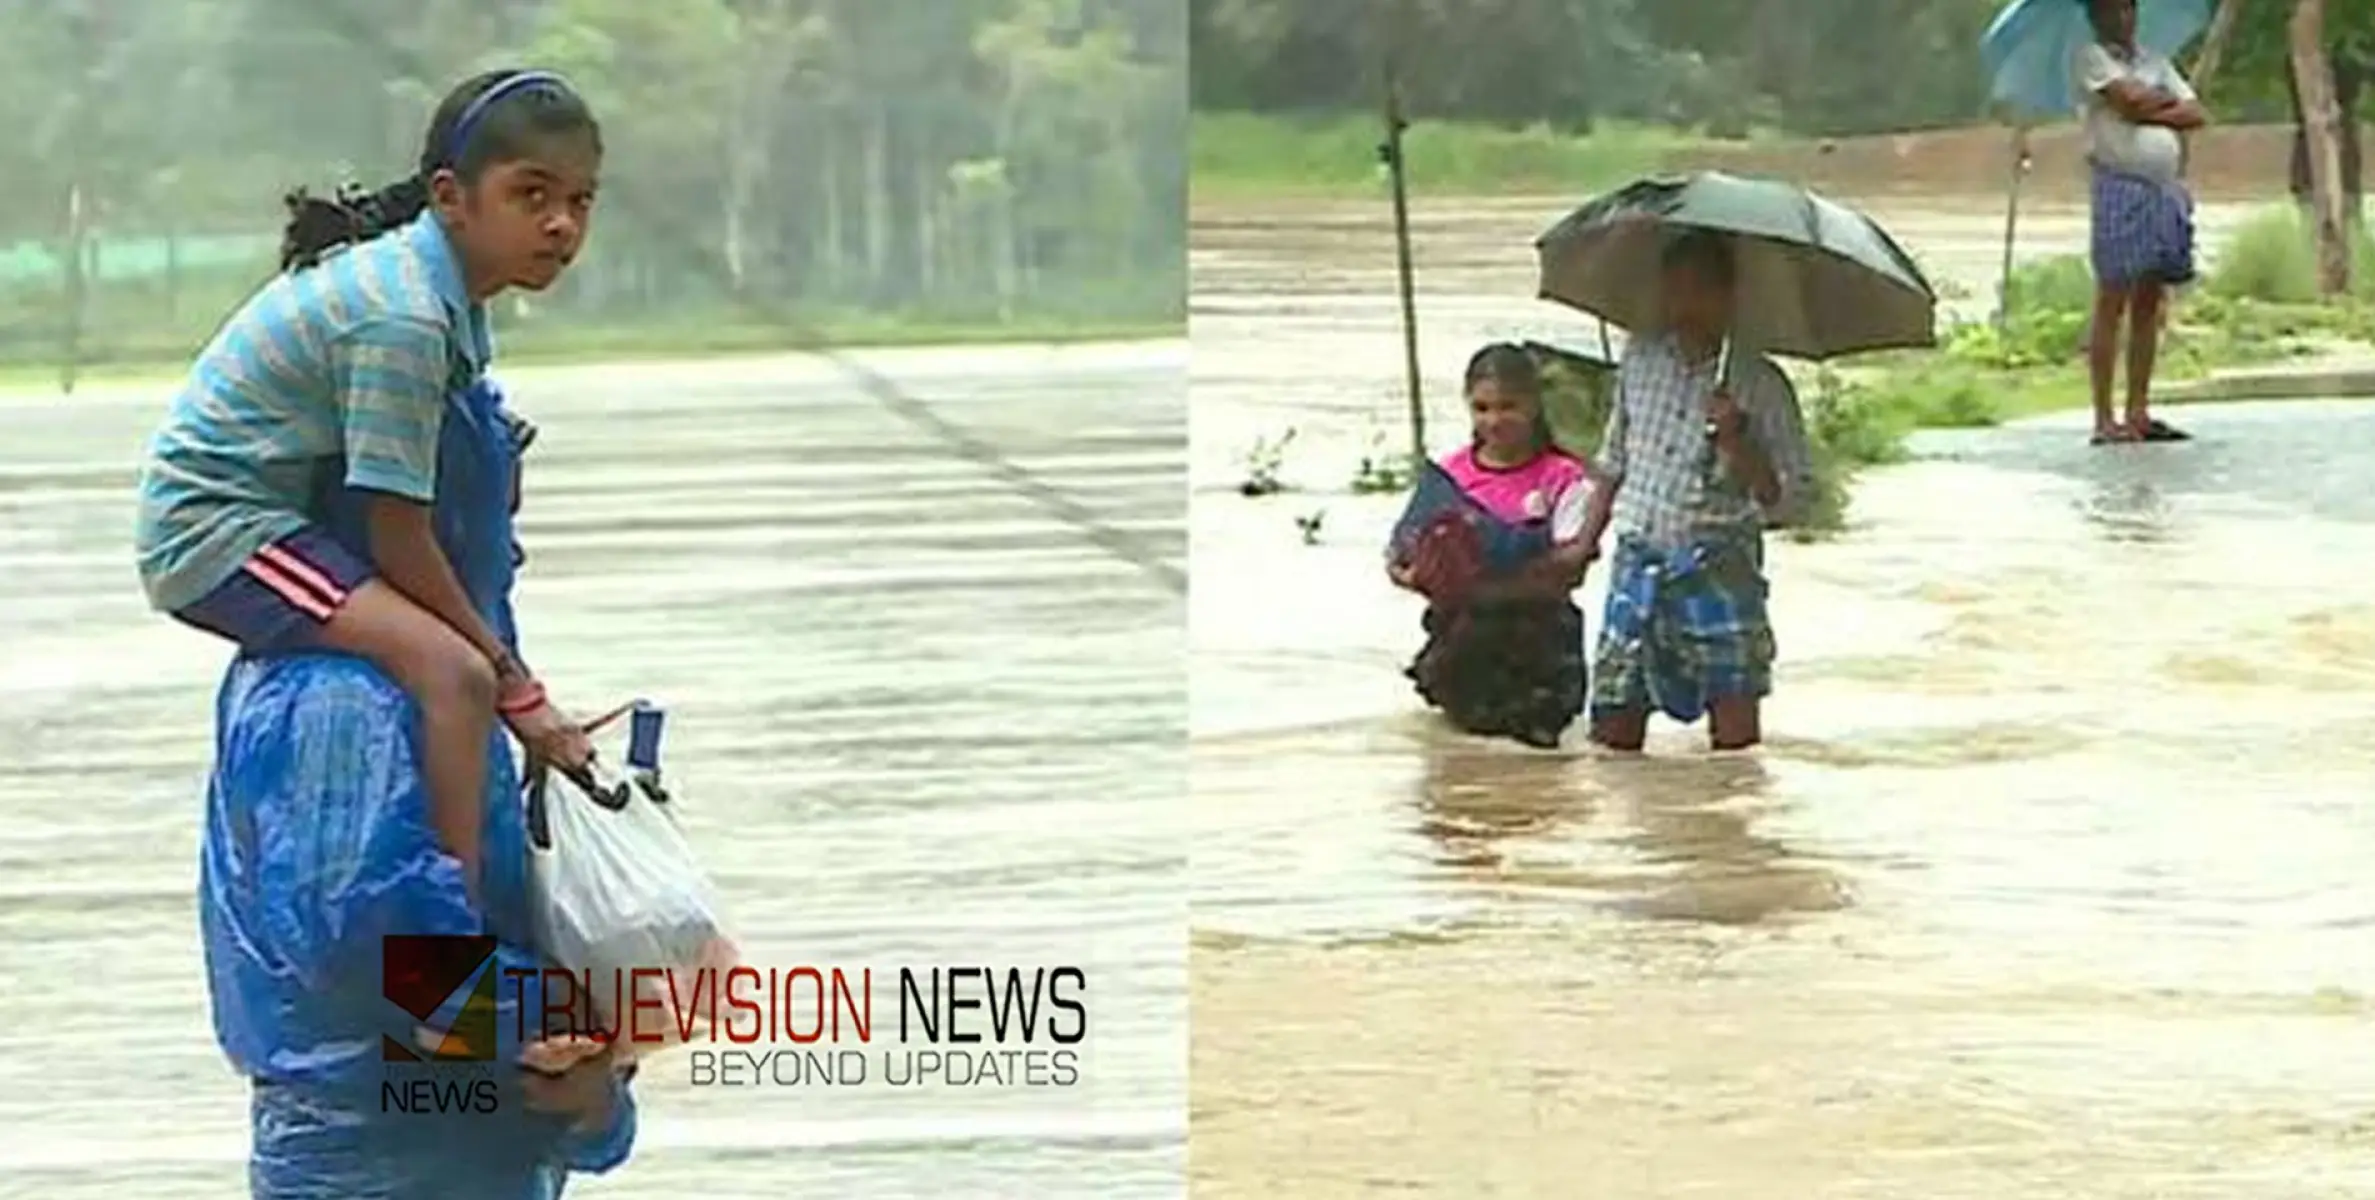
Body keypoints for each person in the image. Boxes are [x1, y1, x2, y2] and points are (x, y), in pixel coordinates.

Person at [134, 69, 605, 896]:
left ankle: (475, 972)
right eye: (532, 195)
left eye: (580, 200)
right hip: (223, 532)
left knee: (465, 665)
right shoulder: (404, 317)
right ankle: (448, 995)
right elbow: (398, 536)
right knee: (454, 677)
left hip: (293, 510)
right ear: (451, 198)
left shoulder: (447, 295)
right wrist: (518, 690)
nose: (561, 225)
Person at [206, 375, 640, 1198]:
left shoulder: (433, 695)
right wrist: (563, 1020)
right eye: (494, 523)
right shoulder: (338, 700)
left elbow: (446, 965)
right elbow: (375, 953)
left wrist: (591, 1096)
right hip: (378, 1159)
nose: (512, 555)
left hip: (456, 1141)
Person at [1576, 231, 1813, 754]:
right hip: (1639, 559)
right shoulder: (1639, 359)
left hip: (1720, 563)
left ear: (1730, 298)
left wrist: (1739, 441)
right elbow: (1613, 460)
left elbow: (1790, 502)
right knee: (1614, 723)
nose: (1687, 306)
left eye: (1702, 291)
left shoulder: (1761, 384)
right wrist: (1582, 544)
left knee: (1736, 739)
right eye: (1676, 291)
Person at [1388, 343, 1597, 749]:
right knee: (1465, 779)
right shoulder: (1448, 476)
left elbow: (1569, 571)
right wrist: (1422, 574)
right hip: (1463, 646)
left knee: (1540, 782)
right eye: (1482, 408)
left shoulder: (1565, 477)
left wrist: (1485, 584)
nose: (1495, 420)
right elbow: (1399, 557)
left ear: (1535, 405)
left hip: (1539, 650)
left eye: (1508, 407)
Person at [2074, 0, 2209, 445]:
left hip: (2163, 187)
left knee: (2152, 298)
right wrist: (2158, 106)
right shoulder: (2091, 57)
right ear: (2097, 16)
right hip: (2120, 185)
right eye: (2112, 11)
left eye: (2128, 9)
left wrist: (2151, 108)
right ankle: (2102, 417)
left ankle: (2138, 410)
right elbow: (2127, 101)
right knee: (2112, 296)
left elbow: (2196, 114)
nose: (2122, 18)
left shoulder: (2155, 60)